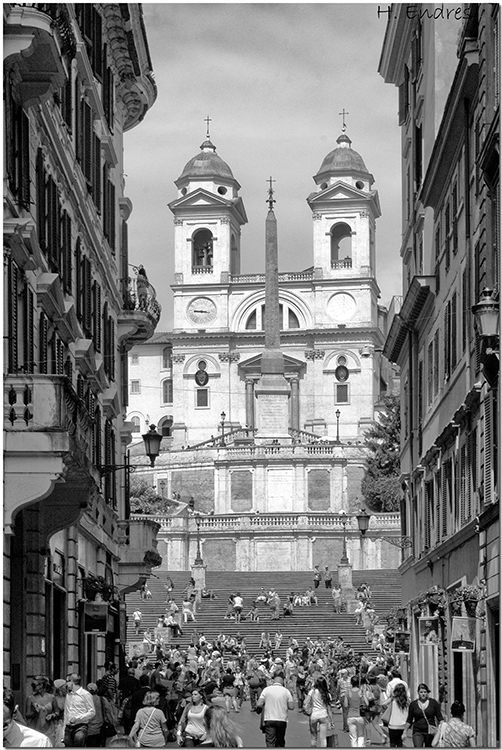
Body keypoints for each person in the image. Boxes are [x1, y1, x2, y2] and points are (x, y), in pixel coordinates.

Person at [256, 672, 294, 747]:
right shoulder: (286, 691)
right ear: (282, 682)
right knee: (280, 741)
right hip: (282, 719)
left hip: (269, 719)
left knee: (270, 741)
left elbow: (259, 704)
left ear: (273, 681)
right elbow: (291, 707)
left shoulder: (266, 690)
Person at [63, 674, 96, 747]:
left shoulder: (85, 694)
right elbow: (66, 712)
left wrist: (78, 718)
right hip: (68, 726)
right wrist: (63, 730)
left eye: (67, 681)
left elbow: (92, 712)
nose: (66, 684)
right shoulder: (68, 695)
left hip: (80, 726)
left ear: (71, 681)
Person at [25, 675, 60, 743]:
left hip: (49, 729)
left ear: (41, 685)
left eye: (34, 685)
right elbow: (27, 715)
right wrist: (35, 712)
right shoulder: (31, 698)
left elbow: (57, 712)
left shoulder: (52, 697)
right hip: (35, 729)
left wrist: (52, 715)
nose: (32, 687)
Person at [304, 676, 334, 748]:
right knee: (323, 738)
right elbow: (329, 709)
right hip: (323, 715)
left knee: (313, 737)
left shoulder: (312, 692)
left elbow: (305, 702)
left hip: (314, 715)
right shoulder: (327, 694)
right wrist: (331, 721)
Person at [86, 682, 115, 747]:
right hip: (101, 728)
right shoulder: (102, 699)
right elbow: (108, 713)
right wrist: (111, 723)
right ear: (97, 690)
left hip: (88, 729)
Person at [341, 675, 365, 747]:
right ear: (358, 683)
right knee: (360, 735)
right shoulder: (361, 692)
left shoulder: (348, 692)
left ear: (351, 683)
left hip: (351, 716)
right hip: (360, 716)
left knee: (353, 737)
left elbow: (345, 705)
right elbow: (366, 703)